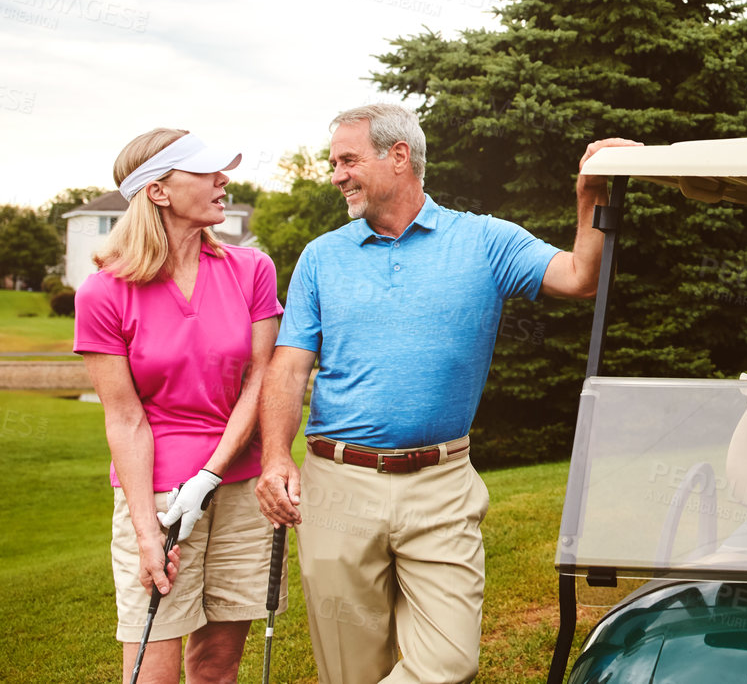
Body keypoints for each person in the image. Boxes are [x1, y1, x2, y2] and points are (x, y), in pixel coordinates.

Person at [254, 103, 636, 684]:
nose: (336, 175)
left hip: (442, 484)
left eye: (348, 160)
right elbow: (287, 368)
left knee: (451, 660)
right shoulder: (321, 256)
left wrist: (590, 195)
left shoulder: (485, 240)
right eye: (335, 162)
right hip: (337, 484)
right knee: (352, 670)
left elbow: (580, 277)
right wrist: (276, 456)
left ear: (398, 156)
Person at [73, 129, 283, 684]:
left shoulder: (251, 269)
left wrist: (211, 473)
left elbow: (261, 377)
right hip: (160, 501)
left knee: (217, 666)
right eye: (207, 172)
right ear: (159, 192)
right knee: (154, 668)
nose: (224, 180)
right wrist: (147, 531)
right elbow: (124, 418)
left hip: (242, 487)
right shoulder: (103, 292)